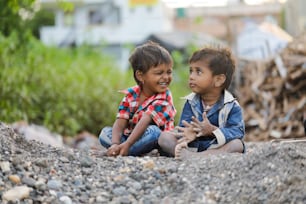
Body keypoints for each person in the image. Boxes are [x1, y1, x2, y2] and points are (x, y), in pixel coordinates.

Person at [158, 46, 245, 159]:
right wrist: (189, 132)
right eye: (191, 71)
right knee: (164, 137)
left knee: (237, 144)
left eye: (198, 72)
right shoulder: (191, 102)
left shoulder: (231, 105)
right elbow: (184, 126)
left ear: (218, 80)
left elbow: (237, 132)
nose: (191, 77)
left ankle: (197, 157)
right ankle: (190, 155)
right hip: (192, 145)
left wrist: (213, 130)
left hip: (216, 147)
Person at [99, 41, 176, 157]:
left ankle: (125, 150)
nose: (166, 77)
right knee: (105, 132)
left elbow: (145, 121)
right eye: (159, 73)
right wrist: (115, 143)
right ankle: (120, 148)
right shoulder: (131, 94)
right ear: (140, 76)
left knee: (154, 132)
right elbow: (120, 123)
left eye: (169, 72)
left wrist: (128, 143)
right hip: (132, 138)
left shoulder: (164, 97)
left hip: (154, 140)